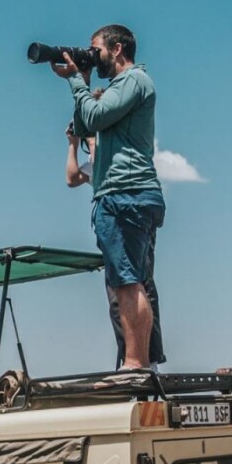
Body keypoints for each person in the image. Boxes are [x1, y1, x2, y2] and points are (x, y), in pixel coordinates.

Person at [53, 23, 164, 371]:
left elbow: (96, 115)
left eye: (95, 48)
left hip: (125, 192)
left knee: (128, 284)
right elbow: (86, 125)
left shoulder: (133, 80)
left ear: (117, 49)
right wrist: (82, 82)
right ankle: (137, 361)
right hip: (120, 193)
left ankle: (136, 363)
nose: (92, 55)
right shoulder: (119, 86)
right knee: (126, 282)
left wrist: (75, 81)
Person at [67, 123, 166, 369]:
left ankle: (145, 360)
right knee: (119, 294)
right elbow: (71, 178)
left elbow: (101, 149)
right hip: (117, 214)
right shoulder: (96, 160)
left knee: (133, 284)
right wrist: (73, 144)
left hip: (127, 209)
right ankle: (132, 357)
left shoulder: (114, 150)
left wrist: (90, 136)